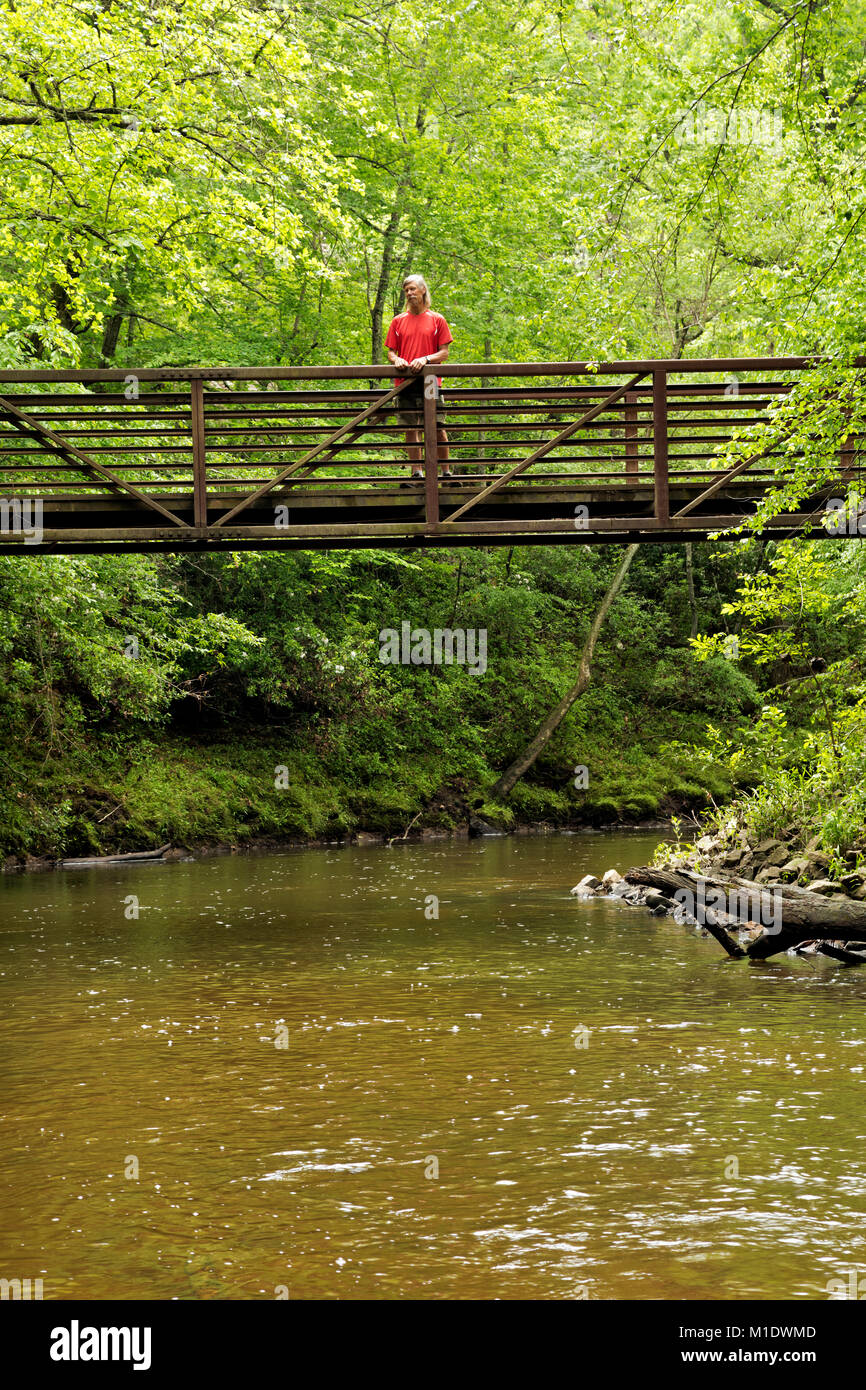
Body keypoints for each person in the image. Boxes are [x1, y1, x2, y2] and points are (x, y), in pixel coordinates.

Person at [385, 275, 457, 485]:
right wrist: (397, 359)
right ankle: (416, 473)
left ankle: (446, 473)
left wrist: (425, 359)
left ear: (423, 290)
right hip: (405, 382)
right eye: (406, 290)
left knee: (437, 426)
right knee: (410, 428)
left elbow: (444, 353)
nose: (409, 293)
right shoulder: (398, 321)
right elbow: (391, 352)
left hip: (430, 381)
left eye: (413, 289)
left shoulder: (437, 320)